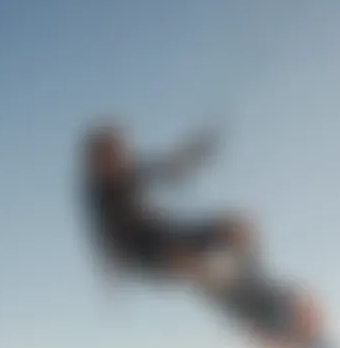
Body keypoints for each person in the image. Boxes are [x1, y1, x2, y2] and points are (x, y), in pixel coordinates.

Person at [79, 122, 259, 291]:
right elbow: (111, 242)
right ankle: (229, 286)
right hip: (141, 252)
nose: (121, 164)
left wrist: (198, 150)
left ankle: (254, 281)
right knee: (192, 263)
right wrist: (112, 267)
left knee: (236, 227)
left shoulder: (131, 172)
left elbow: (170, 167)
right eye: (110, 158)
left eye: (121, 155)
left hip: (160, 232)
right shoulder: (99, 196)